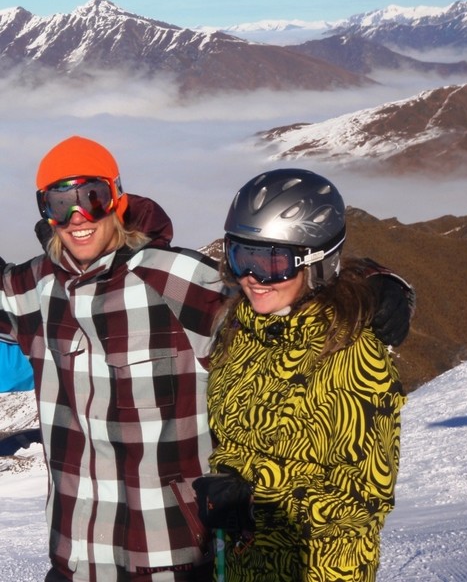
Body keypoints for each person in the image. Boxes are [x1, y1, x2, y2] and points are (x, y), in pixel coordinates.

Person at [0, 138, 412, 582]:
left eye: (91, 198)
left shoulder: (170, 278)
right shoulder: (33, 289)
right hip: (75, 561)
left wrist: (375, 285)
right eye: (60, 203)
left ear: (116, 198)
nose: (77, 217)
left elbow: (283, 296)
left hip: (169, 558)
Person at [194, 168, 409, 581]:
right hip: (243, 566)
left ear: (317, 263)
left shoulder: (351, 355)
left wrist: (253, 499)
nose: (252, 278)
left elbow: (364, 499)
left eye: (272, 262)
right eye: (241, 255)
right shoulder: (242, 330)